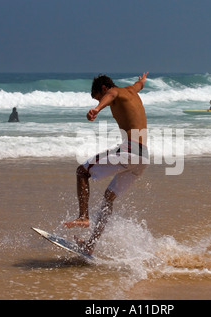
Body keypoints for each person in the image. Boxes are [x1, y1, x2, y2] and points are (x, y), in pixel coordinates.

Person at [63, 73, 149, 255]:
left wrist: (97, 108)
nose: (102, 99)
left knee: (82, 172)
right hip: (143, 157)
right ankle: (91, 245)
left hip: (129, 150)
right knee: (108, 198)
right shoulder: (132, 90)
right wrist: (142, 81)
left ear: (103, 88)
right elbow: (138, 85)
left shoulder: (114, 92)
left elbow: (111, 95)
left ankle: (83, 217)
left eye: (98, 96)